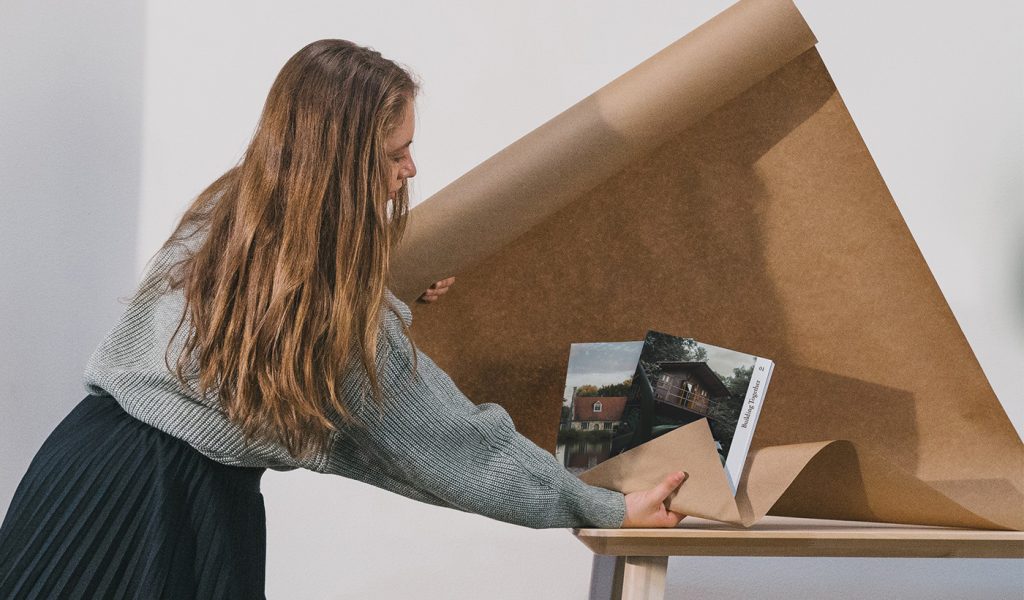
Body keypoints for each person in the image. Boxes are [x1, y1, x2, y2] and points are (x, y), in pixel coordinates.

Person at [0, 39, 687, 598]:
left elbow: (265, 310)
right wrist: (608, 508)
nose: (411, 168)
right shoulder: (328, 311)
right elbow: (459, 446)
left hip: (79, 468)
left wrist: (393, 286)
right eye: (394, 154)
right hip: (168, 509)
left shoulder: (230, 214)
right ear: (343, 159)